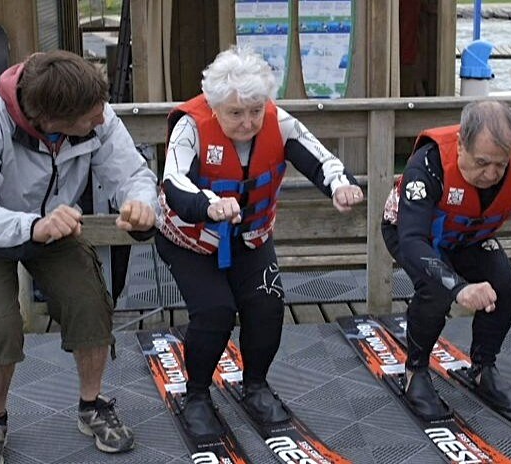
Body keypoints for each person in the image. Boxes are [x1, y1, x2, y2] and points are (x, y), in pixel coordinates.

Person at [0, 50, 158, 463]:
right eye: (90, 116)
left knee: (90, 303)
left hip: (57, 224)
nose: (101, 119)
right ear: (50, 121)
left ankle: (91, 405)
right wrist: (31, 226)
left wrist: (140, 204)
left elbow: (130, 174)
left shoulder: (97, 113)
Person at [156, 47, 364, 437]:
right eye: (236, 113)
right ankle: (197, 395)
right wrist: (209, 204)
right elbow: (174, 183)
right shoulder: (191, 126)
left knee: (267, 307)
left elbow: (320, 158)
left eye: (255, 110)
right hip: (191, 241)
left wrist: (340, 185)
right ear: (215, 106)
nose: (248, 121)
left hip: (251, 237)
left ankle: (256, 386)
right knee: (216, 312)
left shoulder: (276, 120)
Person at [382, 100, 511, 420]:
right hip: (414, 234)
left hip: (468, 236)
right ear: (461, 144)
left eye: (500, 165)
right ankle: (415, 372)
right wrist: (458, 287)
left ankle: (482, 367)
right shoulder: (428, 165)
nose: (490, 174)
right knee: (436, 290)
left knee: (504, 282)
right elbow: (412, 240)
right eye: (481, 162)